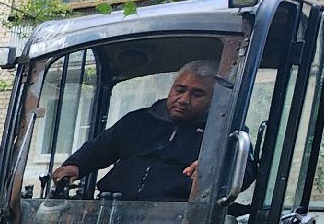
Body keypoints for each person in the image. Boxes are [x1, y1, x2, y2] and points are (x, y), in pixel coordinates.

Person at [49, 60, 218, 202]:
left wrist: (212, 169)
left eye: (197, 94)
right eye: (180, 90)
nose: (183, 100)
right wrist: (74, 165)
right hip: (113, 209)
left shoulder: (219, 131)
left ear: (214, 97)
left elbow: (243, 171)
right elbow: (100, 148)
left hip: (175, 220)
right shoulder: (138, 120)